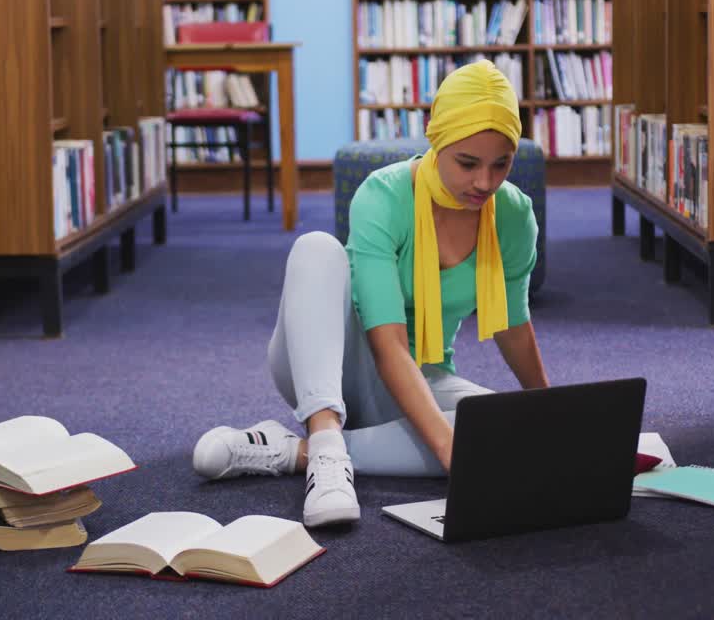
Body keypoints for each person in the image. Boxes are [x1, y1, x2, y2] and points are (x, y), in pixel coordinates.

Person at [191, 59, 549, 528]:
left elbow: (514, 327)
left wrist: (550, 416)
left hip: (423, 378)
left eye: (501, 164)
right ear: (435, 137)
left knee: (509, 434)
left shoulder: (514, 216)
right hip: (327, 365)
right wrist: (450, 452)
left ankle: (300, 452)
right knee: (317, 248)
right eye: (468, 163)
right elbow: (388, 345)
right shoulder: (383, 195)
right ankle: (324, 434)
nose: (485, 182)